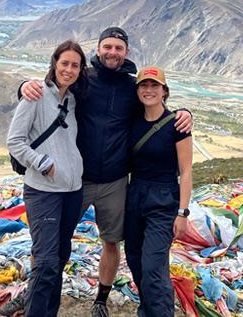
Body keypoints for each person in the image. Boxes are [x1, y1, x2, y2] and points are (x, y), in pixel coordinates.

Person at [19, 27, 193, 317]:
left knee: (111, 241)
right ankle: (33, 294)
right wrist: (24, 85)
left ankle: (101, 298)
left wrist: (184, 112)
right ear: (98, 49)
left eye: (119, 48)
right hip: (78, 179)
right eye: (107, 47)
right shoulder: (83, 78)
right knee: (55, 242)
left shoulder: (130, 87)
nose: (113, 52)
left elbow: (157, 111)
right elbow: (51, 87)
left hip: (115, 181)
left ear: (125, 53)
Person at [5, 40, 88, 317]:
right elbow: (15, 141)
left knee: (60, 259)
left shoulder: (72, 100)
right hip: (44, 192)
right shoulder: (36, 94)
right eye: (64, 63)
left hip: (72, 191)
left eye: (75, 65)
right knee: (45, 262)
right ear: (54, 64)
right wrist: (41, 162)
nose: (69, 69)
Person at [124, 66, 193, 317]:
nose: (149, 90)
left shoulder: (178, 124)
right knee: (134, 260)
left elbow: (185, 171)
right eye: (144, 85)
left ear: (165, 91)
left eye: (155, 85)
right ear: (138, 90)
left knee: (153, 266)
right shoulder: (133, 121)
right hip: (135, 197)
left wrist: (183, 212)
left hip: (164, 200)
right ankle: (147, 310)